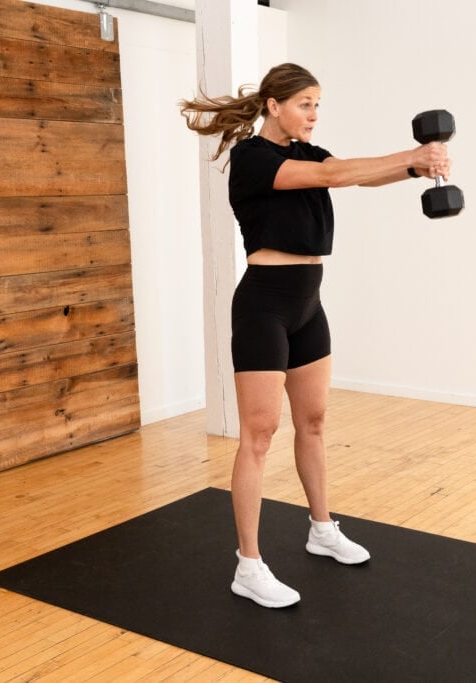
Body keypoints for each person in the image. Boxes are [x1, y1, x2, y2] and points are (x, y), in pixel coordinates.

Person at [179, 63, 451, 608]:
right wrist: (412, 155)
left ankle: (322, 529)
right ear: (274, 106)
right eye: (305, 103)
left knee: (315, 423)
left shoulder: (310, 153)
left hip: (308, 302)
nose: (314, 114)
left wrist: (416, 171)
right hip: (264, 305)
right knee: (259, 434)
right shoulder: (254, 159)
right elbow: (335, 176)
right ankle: (248, 565)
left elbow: (356, 175)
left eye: (318, 104)